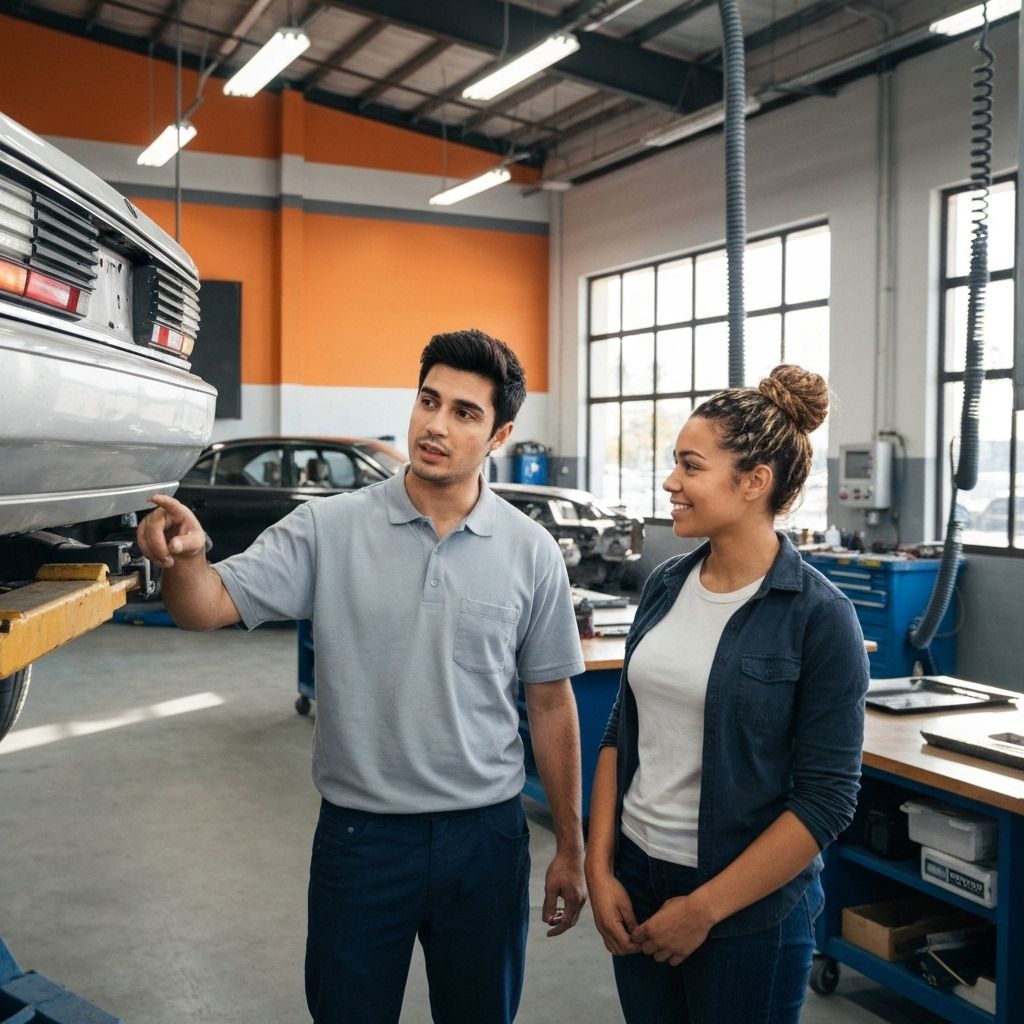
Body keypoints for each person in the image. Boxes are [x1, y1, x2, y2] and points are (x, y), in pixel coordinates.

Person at [136, 329, 588, 1024]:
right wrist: (187, 559)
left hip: (486, 843)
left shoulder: (531, 553)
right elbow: (204, 607)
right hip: (363, 842)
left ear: (499, 435)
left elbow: (551, 702)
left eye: (464, 412)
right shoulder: (329, 528)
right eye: (428, 400)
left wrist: (571, 848)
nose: (436, 425)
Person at [584, 364, 868, 1024]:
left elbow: (826, 800)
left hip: (746, 912)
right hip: (637, 881)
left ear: (753, 481)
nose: (670, 482)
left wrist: (703, 909)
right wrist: (601, 866)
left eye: (690, 466)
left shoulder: (820, 618)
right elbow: (622, 730)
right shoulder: (665, 585)